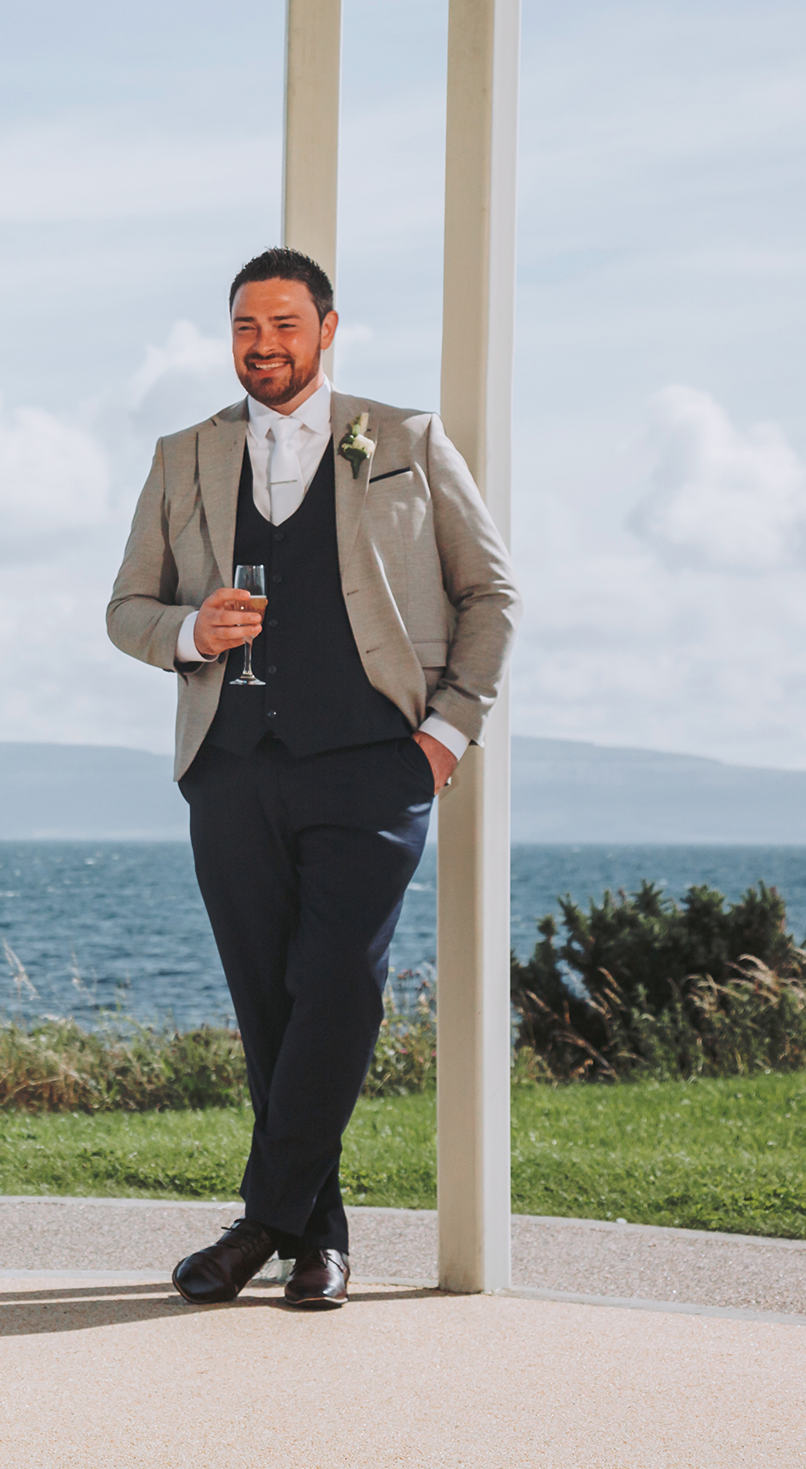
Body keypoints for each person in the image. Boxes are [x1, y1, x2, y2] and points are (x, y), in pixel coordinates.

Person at [105, 247, 517, 1309]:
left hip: (374, 767)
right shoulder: (183, 454)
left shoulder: (405, 439)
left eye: (284, 325)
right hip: (231, 767)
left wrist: (446, 732)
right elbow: (125, 608)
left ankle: (258, 1225)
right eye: (245, 327)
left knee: (336, 986)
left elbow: (489, 592)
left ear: (326, 331)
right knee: (267, 1006)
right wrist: (188, 628)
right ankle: (318, 1241)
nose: (263, 346)